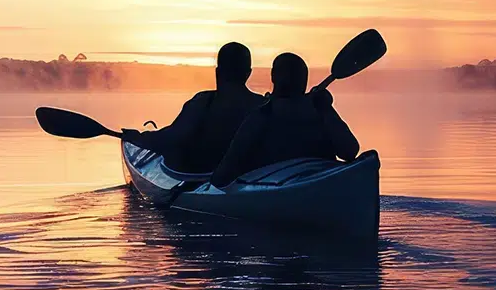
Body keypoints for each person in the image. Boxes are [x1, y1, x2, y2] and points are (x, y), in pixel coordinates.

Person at [211, 52, 359, 186]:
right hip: (316, 186)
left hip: (284, 190)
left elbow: (222, 176)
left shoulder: (262, 115)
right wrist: (326, 109)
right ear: (304, 81)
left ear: (273, 77)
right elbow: (350, 152)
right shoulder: (319, 111)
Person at [121, 42, 263, 174]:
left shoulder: (202, 102)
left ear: (218, 72)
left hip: (199, 175)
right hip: (245, 176)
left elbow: (172, 137)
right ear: (248, 73)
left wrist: (138, 138)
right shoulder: (264, 105)